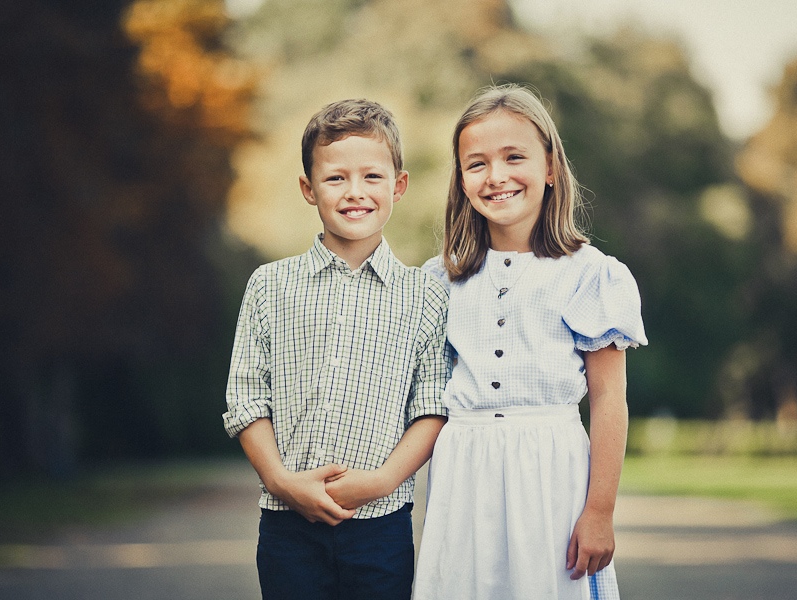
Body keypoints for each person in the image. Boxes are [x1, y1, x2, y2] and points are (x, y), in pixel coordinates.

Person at [412, 84, 648, 600]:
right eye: (476, 164)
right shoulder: (438, 280)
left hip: (550, 472)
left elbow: (609, 399)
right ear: (461, 179)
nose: (495, 176)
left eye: (513, 156)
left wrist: (600, 510)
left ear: (550, 167)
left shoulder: (589, 275)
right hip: (464, 473)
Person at [223, 98, 451, 600]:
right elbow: (244, 399)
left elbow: (432, 405)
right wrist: (282, 481)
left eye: (372, 177)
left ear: (399, 185)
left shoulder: (426, 295)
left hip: (380, 527)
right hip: (287, 525)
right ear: (308, 189)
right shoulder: (269, 286)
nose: (355, 193)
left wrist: (382, 480)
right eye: (335, 178)